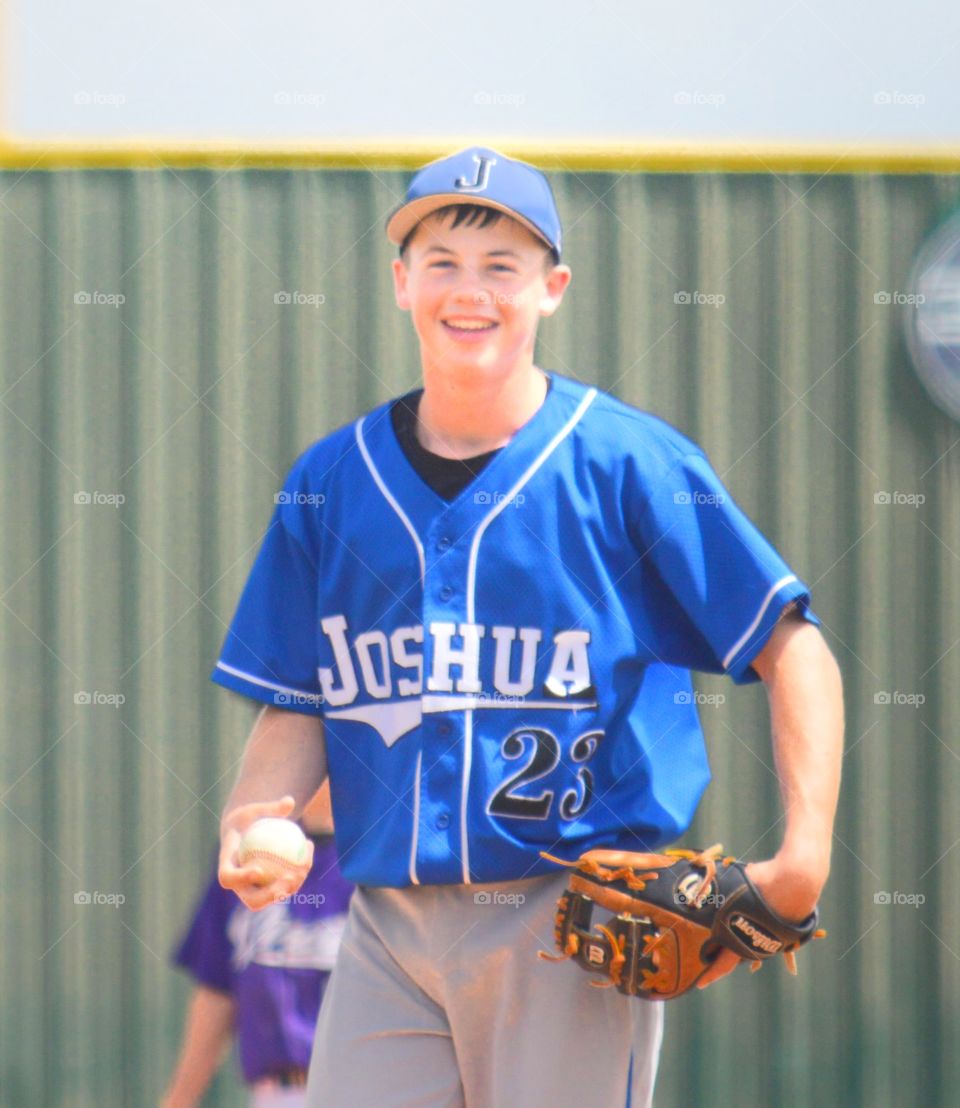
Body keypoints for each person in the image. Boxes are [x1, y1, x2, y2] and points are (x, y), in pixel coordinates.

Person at [213, 147, 844, 1107]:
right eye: (442, 262)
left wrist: (803, 857)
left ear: (552, 288)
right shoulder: (330, 482)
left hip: (566, 924)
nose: (470, 290)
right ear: (401, 283)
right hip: (386, 927)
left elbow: (792, 644)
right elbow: (299, 698)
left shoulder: (628, 463)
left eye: (501, 266)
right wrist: (255, 817)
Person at [161, 784, 353, 1107]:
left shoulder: (382, 857)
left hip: (369, 1089)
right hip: (277, 1094)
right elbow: (218, 989)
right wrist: (179, 1101)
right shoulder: (246, 860)